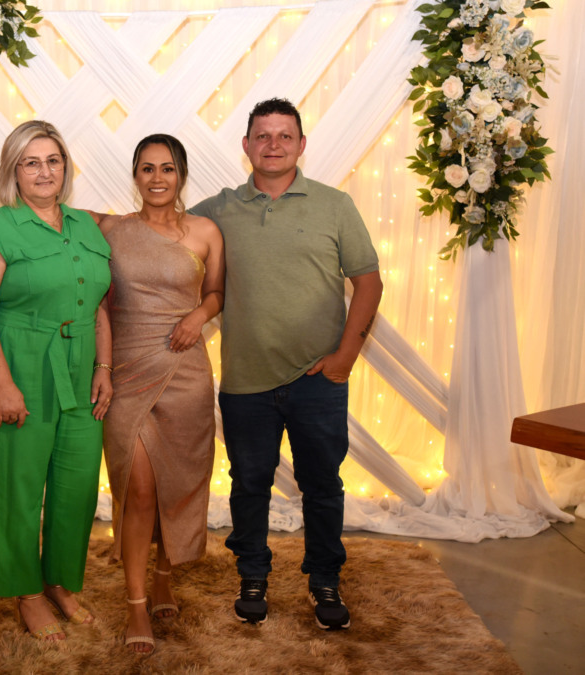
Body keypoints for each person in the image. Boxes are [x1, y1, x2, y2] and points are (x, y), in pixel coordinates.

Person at [190, 98, 383, 630]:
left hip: (318, 379)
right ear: (246, 145)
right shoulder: (218, 210)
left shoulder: (335, 205)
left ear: (301, 144)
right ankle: (252, 574)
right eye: (262, 135)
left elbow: (368, 283)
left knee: (322, 486)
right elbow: (160, 228)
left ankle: (324, 579)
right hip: (245, 381)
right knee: (248, 484)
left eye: (284, 136)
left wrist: (344, 358)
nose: (273, 144)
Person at [0, 120, 113, 642]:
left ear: (65, 167)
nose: (44, 172)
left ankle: (60, 582)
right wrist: (3, 386)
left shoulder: (87, 226)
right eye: (31, 162)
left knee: (77, 486)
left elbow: (98, 305)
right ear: (13, 172)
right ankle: (26, 592)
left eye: (53, 160)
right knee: (20, 487)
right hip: (19, 365)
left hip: (81, 368)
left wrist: (105, 368)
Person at [96, 134, 223, 653]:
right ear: (135, 175)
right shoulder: (111, 229)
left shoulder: (206, 231)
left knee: (176, 484)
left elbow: (216, 292)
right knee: (139, 489)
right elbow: (49, 209)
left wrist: (198, 315)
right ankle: (135, 603)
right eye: (146, 168)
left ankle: (165, 576)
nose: (157, 178)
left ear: (181, 175)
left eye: (167, 168)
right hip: (126, 373)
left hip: (185, 369)